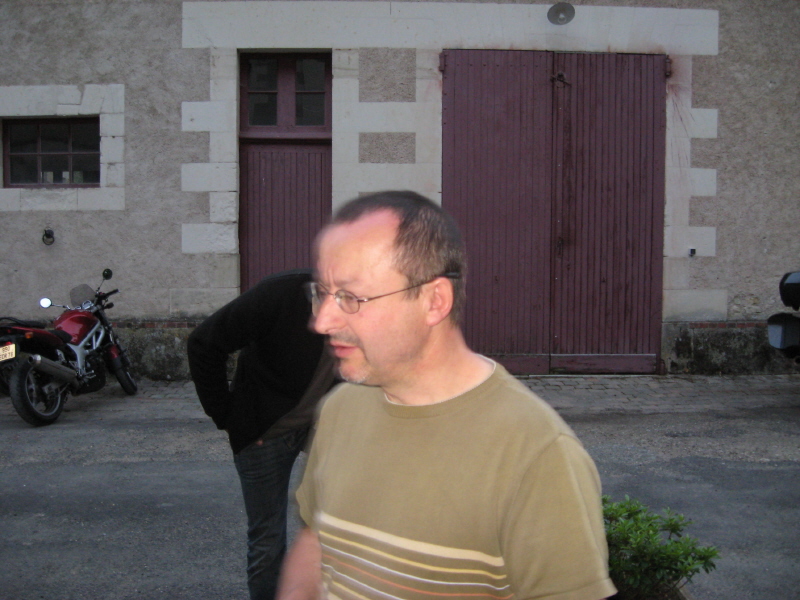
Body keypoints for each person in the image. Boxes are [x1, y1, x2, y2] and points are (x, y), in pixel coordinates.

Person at [277, 191, 617, 600]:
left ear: (434, 301)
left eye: (350, 297)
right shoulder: (339, 409)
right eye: (321, 292)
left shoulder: (537, 453)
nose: (321, 321)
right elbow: (317, 539)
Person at [187, 269, 336, 600]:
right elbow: (203, 343)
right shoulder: (279, 295)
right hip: (264, 432)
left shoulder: (369, 305)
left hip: (322, 429)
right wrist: (227, 415)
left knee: (342, 526)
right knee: (267, 540)